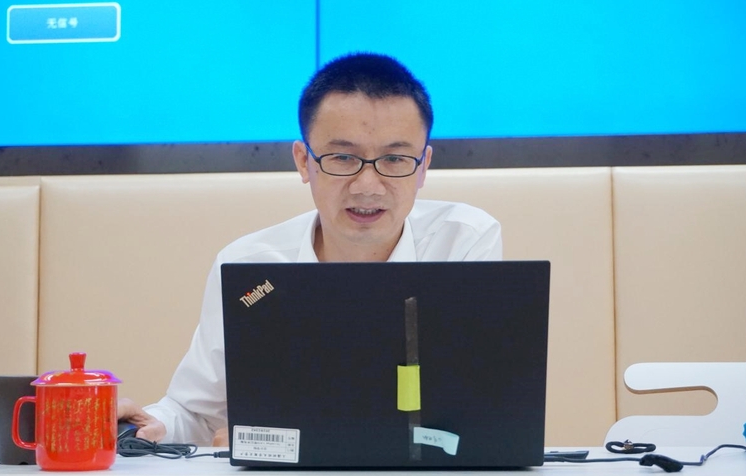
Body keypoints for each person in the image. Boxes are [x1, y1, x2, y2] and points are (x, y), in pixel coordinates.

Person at [118, 52, 502, 445]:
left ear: (423, 166)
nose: (367, 186)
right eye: (343, 157)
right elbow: (196, 413)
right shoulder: (249, 267)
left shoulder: (462, 241)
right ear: (304, 161)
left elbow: (478, 407)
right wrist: (150, 424)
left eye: (394, 159)